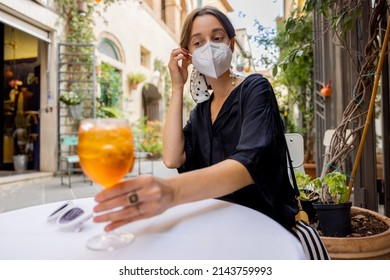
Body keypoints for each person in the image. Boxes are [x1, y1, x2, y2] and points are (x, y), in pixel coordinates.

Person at [92, 6, 298, 233]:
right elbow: (172, 158)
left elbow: (251, 164)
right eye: (198, 42)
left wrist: (171, 191)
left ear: (230, 44)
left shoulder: (255, 89)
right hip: (216, 222)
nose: (208, 46)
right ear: (188, 55)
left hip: (262, 223)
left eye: (217, 38)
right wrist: (177, 87)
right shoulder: (201, 112)